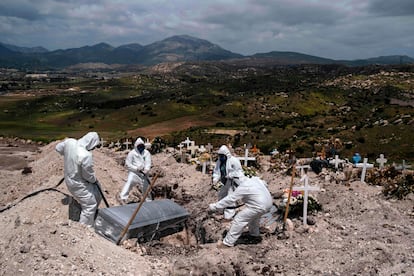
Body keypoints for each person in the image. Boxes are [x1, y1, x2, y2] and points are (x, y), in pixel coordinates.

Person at [208, 175, 273, 247]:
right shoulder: (254, 180)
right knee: (254, 218)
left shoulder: (243, 187)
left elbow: (230, 199)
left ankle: (227, 243)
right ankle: (254, 235)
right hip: (268, 204)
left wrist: (214, 207)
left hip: (259, 206)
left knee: (239, 219)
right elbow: (264, 184)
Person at [55, 132, 102, 227]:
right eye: (94, 146)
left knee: (97, 194)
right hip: (78, 184)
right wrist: (94, 180)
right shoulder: (85, 155)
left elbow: (58, 148)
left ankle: (93, 215)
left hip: (69, 179)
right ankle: (84, 228)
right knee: (90, 205)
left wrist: (68, 155)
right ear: (92, 143)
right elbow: (88, 175)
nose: (93, 149)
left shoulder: (70, 142)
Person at [212, 145, 244, 220]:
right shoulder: (219, 162)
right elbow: (217, 171)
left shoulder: (234, 161)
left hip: (232, 182)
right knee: (221, 195)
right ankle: (220, 210)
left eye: (222, 156)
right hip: (224, 182)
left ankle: (229, 214)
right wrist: (215, 179)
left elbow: (239, 172)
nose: (221, 157)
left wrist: (230, 175)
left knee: (230, 198)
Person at [119, 137, 152, 204]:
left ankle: (148, 201)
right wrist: (136, 168)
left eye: (142, 146)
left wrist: (146, 169)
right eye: (139, 146)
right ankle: (123, 198)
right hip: (134, 173)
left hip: (143, 174)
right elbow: (128, 164)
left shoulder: (146, 153)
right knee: (129, 183)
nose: (140, 148)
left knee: (146, 188)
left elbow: (148, 162)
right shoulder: (131, 153)